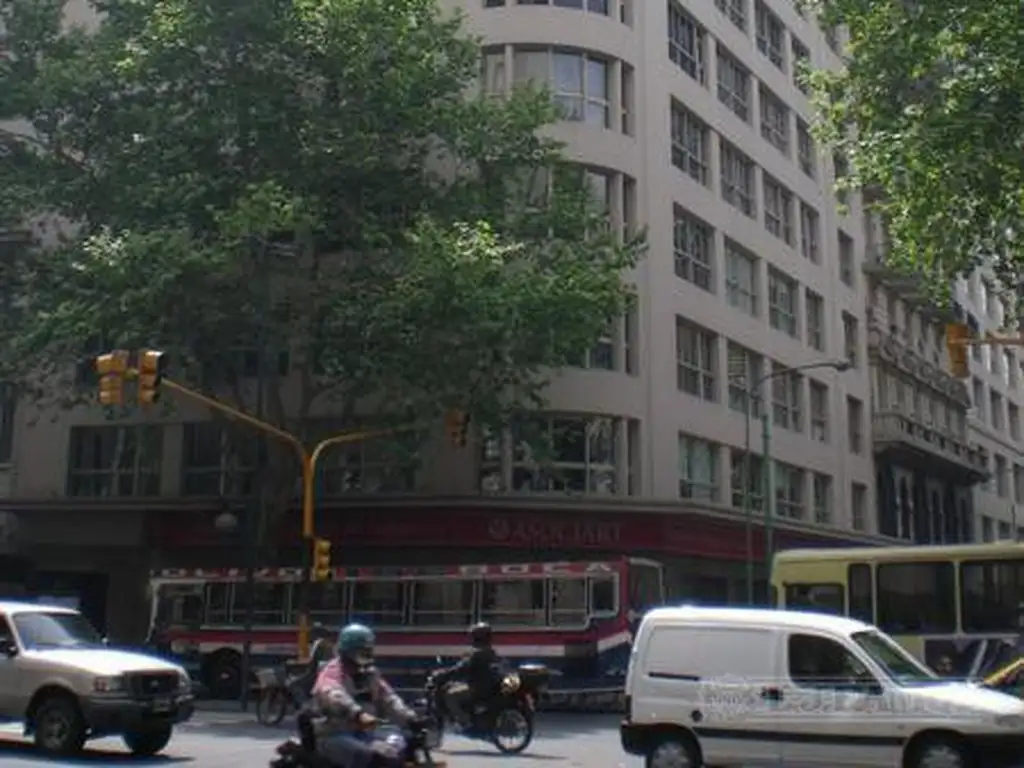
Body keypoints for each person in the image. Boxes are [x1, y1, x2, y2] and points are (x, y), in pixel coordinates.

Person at [311, 622, 417, 768]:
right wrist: (357, 714)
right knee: (363, 755)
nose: (367, 655)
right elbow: (334, 694)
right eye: (362, 651)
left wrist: (410, 717)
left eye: (368, 650)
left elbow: (389, 698)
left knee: (400, 746)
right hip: (334, 734)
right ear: (347, 652)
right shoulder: (332, 672)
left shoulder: (370, 674)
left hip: (364, 732)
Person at [431, 622, 501, 727]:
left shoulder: (476, 653)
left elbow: (461, 668)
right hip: (487, 686)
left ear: (477, 637)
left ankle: (465, 722)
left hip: (477, 688)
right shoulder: (490, 651)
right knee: (453, 686)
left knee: (450, 696)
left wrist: (443, 674)